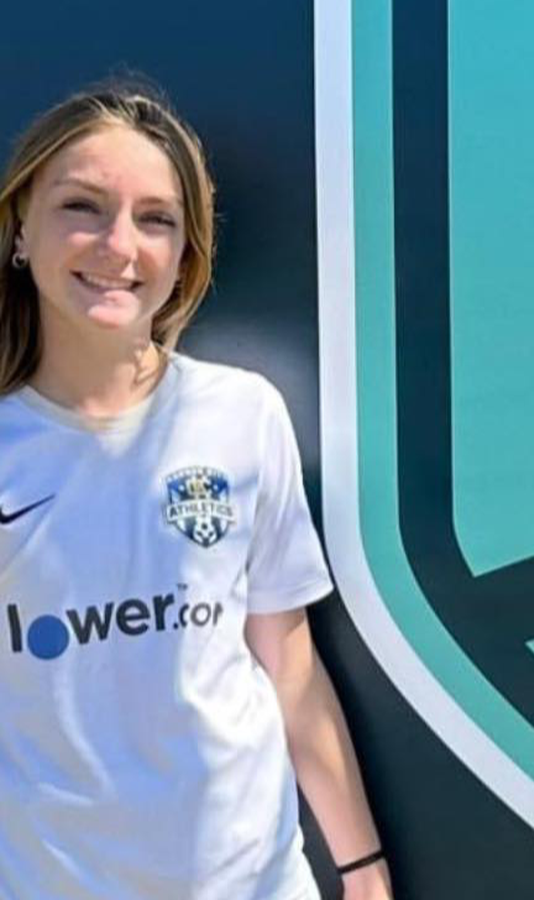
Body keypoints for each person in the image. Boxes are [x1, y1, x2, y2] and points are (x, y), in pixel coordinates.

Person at [0, 84, 392, 899]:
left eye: (155, 219)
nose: (119, 245)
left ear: (185, 254)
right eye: (82, 207)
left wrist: (362, 869)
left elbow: (290, 668)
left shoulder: (242, 414)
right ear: (20, 230)